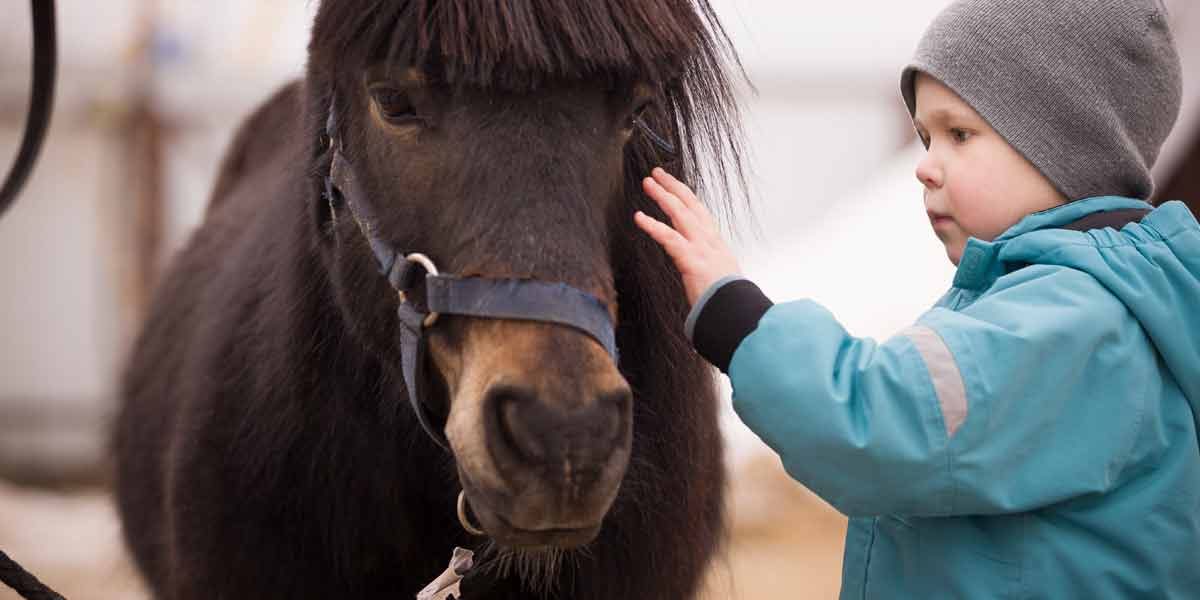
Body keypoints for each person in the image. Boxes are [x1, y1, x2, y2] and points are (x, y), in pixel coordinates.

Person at [635, 0, 1200, 597]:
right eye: (926, 137)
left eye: (959, 134)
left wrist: (739, 319)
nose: (925, 167)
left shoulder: (1071, 324)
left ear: (1069, 143)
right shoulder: (1072, 304)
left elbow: (877, 423)